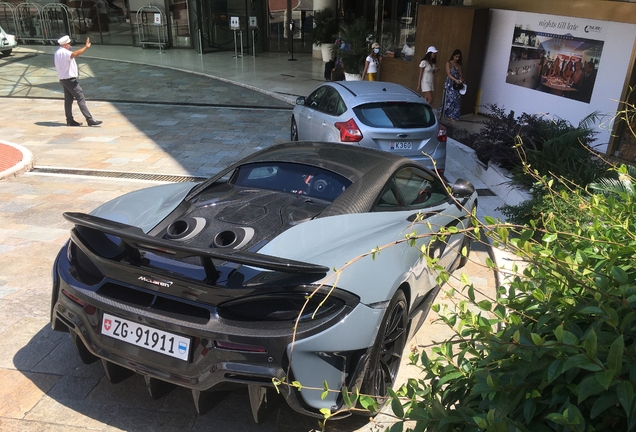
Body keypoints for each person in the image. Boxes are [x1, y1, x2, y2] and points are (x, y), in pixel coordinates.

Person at [54, 35, 102, 127]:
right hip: (70, 80)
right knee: (80, 98)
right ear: (65, 44)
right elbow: (74, 54)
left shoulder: (57, 53)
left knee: (68, 100)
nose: (70, 45)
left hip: (63, 79)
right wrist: (86, 47)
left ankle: (69, 120)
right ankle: (89, 119)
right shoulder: (64, 52)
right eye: (69, 44)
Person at [442, 49, 464, 121]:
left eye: (458, 57)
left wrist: (461, 80)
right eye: (456, 57)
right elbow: (448, 74)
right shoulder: (449, 63)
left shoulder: (459, 65)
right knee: (450, 99)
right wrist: (455, 80)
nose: (457, 58)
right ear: (453, 56)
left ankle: (454, 115)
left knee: (456, 99)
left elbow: (460, 75)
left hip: (457, 84)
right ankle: (447, 114)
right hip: (450, 83)